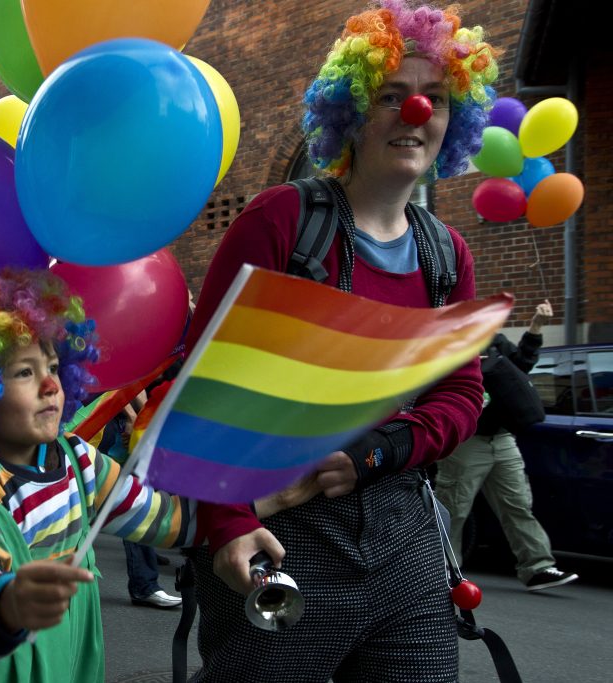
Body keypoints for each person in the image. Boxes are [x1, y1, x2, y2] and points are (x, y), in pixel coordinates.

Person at [184, 2, 498, 680]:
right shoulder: (282, 222)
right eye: (392, 95)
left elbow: (464, 391)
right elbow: (204, 382)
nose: (416, 111)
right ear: (352, 109)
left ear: (455, 117)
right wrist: (227, 521)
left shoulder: (447, 254)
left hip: (403, 529)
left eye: (436, 98)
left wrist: (379, 449)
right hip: (282, 523)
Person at [0, 268, 218, 682]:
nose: (52, 385)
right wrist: (6, 606)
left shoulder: (78, 460)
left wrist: (255, 507)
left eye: (54, 366)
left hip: (66, 657)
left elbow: (165, 520)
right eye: (25, 372)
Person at [435, 300, 579, 591]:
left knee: (517, 505)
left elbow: (522, 365)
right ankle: (443, 573)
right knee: (454, 508)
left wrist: (536, 327)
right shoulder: (444, 346)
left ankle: (537, 568)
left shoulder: (494, 341)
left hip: (501, 439)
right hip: (467, 441)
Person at [99, 400, 182, 609]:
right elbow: (118, 381)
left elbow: (137, 384)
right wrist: (132, 416)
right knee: (134, 497)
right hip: (103, 426)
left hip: (119, 423)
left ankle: (144, 579)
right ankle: (144, 585)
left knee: (138, 493)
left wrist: (145, 415)